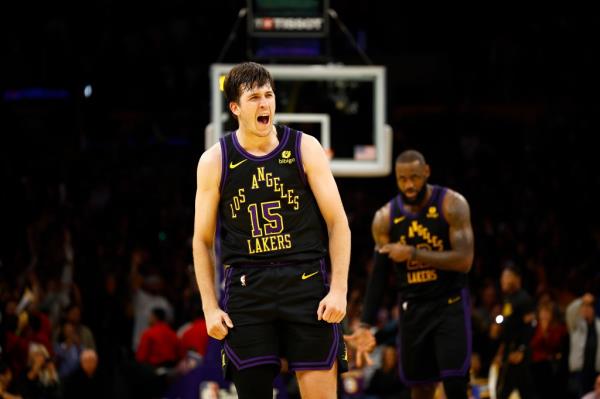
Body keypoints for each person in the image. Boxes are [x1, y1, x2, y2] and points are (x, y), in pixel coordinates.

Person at [192, 61, 350, 399]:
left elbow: (338, 223)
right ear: (235, 107)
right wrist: (209, 306)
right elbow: (203, 241)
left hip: (306, 285)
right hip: (248, 290)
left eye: (269, 95)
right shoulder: (214, 160)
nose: (265, 104)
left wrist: (338, 289)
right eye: (254, 98)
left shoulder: (304, 147)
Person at [347, 150, 474, 399]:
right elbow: (379, 276)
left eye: (414, 177)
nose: (409, 185)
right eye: (402, 179)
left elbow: (465, 260)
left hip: (449, 305)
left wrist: (413, 253)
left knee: (455, 384)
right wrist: (364, 324)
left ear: (426, 171)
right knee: (420, 387)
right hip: (412, 309)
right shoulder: (385, 218)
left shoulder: (452, 204)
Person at [494, 264, 537, 399]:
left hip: (517, 350)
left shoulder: (524, 299)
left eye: (506, 276)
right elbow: (508, 325)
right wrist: (500, 350)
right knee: (525, 389)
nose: (503, 280)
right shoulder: (508, 299)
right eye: (502, 277)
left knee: (502, 390)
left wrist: (521, 350)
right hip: (508, 349)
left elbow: (531, 325)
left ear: (517, 278)